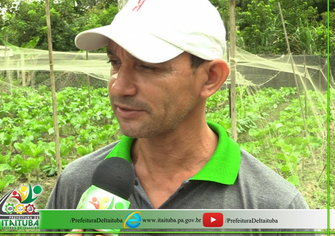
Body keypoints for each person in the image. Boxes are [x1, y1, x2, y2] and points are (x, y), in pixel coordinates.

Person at [43, 0, 319, 235]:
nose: (119, 87)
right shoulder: (77, 182)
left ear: (210, 78)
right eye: (115, 63)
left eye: (147, 66)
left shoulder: (274, 207)